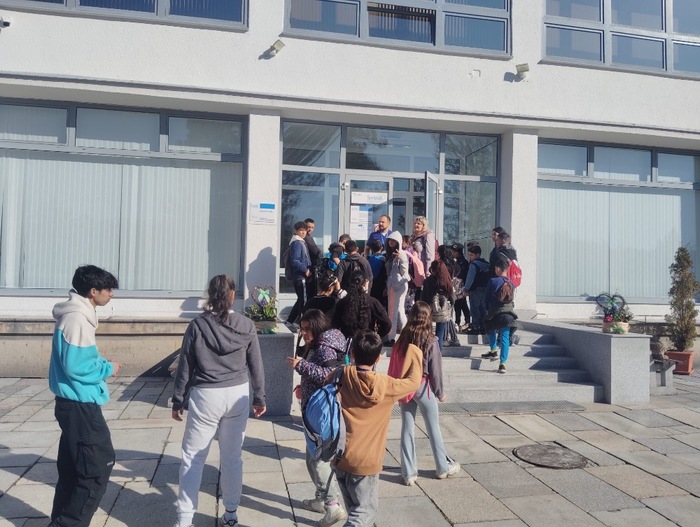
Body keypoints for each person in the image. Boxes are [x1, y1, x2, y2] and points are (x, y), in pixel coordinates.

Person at [171, 275, 266, 527]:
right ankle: (231, 514)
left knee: (193, 458)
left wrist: (178, 400)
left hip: (206, 394)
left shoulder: (197, 325)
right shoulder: (246, 325)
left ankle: (184, 519)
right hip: (237, 393)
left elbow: (185, 366)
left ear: (210, 295)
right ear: (232, 295)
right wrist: (260, 397)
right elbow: (256, 365)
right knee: (232, 457)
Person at [48, 265, 120, 527]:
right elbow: (76, 366)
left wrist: (102, 363)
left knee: (73, 470)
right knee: (97, 468)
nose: (111, 294)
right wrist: (108, 368)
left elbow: (79, 359)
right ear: (93, 291)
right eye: (107, 289)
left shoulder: (75, 315)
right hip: (80, 405)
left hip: (72, 403)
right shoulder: (77, 318)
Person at [331, 331, 422, 527]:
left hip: (339, 455)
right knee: (364, 513)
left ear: (352, 354)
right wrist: (414, 348)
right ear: (378, 358)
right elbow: (414, 381)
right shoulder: (387, 385)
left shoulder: (340, 375)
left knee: (354, 510)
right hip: (366, 462)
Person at [387, 302, 461, 486]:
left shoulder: (402, 339)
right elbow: (435, 370)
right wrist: (440, 392)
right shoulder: (430, 340)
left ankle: (408, 473)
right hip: (423, 385)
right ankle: (442, 467)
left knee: (407, 427)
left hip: (406, 385)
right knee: (433, 427)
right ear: (428, 318)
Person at [286, 310, 348, 527]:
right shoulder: (324, 342)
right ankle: (321, 499)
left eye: (307, 329)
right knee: (311, 456)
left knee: (318, 459)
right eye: (301, 329)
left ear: (318, 326)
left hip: (320, 411)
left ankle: (332, 505)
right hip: (317, 407)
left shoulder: (324, 347)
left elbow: (330, 376)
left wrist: (301, 365)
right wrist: (303, 384)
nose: (303, 333)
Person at [480, 258, 518, 374]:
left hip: (495, 313)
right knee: (505, 337)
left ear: (497, 268)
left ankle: (493, 350)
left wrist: (488, 309)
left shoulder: (493, 281)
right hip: (508, 314)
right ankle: (503, 364)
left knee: (490, 327)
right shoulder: (511, 283)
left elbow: (486, 298)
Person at [331, 269, 391, 340]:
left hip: (347, 341)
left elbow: (334, 324)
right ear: (364, 283)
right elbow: (387, 324)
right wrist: (376, 336)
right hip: (366, 341)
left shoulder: (343, 302)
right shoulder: (372, 302)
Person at [421, 260, 454, 352]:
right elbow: (452, 297)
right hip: (442, 309)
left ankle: (428, 351)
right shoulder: (447, 281)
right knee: (440, 332)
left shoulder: (428, 281)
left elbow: (423, 296)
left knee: (428, 331)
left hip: (430, 308)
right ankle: (438, 353)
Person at [384, 230, 410, 346]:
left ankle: (391, 337)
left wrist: (401, 259)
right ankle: (407, 335)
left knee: (393, 312)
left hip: (397, 286)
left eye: (393, 241)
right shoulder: (393, 254)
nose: (391, 242)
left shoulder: (401, 254)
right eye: (390, 240)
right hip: (395, 285)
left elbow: (405, 272)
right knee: (399, 311)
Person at [286, 221, 313, 330]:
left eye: (305, 230)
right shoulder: (297, 243)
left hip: (301, 276)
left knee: (300, 300)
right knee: (304, 301)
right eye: (301, 230)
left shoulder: (301, 242)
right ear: (296, 231)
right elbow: (295, 261)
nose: (303, 232)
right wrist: (305, 270)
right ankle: (302, 324)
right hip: (300, 277)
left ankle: (289, 321)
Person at [464, 245, 490, 335]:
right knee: (483, 309)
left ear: (477, 254)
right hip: (485, 288)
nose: (470, 257)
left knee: (474, 309)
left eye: (471, 255)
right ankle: (483, 327)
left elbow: (470, 279)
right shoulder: (487, 264)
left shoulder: (473, 265)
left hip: (475, 290)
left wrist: (466, 289)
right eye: (469, 255)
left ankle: (476, 327)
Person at [451, 243, 470, 331]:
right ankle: (465, 321)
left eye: (454, 252)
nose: (452, 253)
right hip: (457, 286)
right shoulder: (456, 261)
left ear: (457, 252)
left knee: (459, 305)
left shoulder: (463, 262)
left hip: (461, 286)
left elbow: (462, 275)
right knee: (462, 305)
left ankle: (459, 322)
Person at [412, 216, 436, 284]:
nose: (416, 225)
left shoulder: (427, 236)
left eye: (418, 223)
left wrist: (428, 273)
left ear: (424, 225)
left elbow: (430, 255)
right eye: (415, 223)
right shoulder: (413, 237)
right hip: (414, 269)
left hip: (423, 269)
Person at [366, 239, 388, 310]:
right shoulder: (383, 259)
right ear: (382, 248)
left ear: (371, 249)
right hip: (381, 285)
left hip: (371, 284)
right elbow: (385, 274)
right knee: (380, 305)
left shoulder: (368, 259)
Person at [305, 218, 323, 298]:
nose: (310, 229)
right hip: (309, 269)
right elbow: (315, 250)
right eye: (308, 227)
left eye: (312, 227)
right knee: (309, 295)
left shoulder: (309, 237)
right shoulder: (306, 238)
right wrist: (321, 254)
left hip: (311, 268)